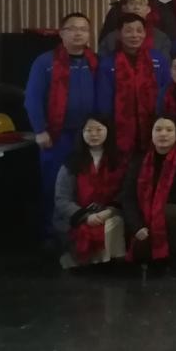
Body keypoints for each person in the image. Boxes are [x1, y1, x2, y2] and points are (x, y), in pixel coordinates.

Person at [27, 12, 99, 237]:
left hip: (89, 136)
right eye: (72, 28)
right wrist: (40, 130)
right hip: (56, 135)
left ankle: (83, 236)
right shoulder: (45, 61)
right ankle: (53, 234)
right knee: (54, 184)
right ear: (61, 33)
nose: (78, 33)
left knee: (88, 185)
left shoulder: (95, 61)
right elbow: (32, 98)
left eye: (83, 29)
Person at [121, 116, 176, 268]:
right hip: (143, 213)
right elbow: (128, 197)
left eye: (169, 130)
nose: (163, 134)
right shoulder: (138, 160)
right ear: (151, 133)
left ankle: (172, 261)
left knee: (170, 212)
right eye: (158, 129)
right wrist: (136, 225)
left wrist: (155, 206)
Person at [52, 115, 126, 269]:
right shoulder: (72, 162)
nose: (94, 134)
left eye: (99, 129)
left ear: (108, 131)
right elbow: (62, 199)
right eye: (89, 130)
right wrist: (86, 216)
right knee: (86, 232)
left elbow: (125, 192)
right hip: (78, 216)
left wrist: (109, 211)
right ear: (82, 133)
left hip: (108, 213)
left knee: (115, 223)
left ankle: (108, 264)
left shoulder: (119, 160)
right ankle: (86, 262)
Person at [95, 13, 170, 157]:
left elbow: (166, 91)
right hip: (120, 128)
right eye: (128, 31)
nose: (135, 35)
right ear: (119, 34)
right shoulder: (108, 63)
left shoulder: (158, 59)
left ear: (145, 33)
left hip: (153, 124)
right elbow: (103, 100)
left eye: (139, 31)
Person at [99, 0, 172, 57]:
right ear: (124, 8)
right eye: (132, 3)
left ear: (148, 9)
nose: (136, 7)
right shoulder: (110, 38)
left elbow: (165, 64)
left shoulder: (161, 38)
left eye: (141, 3)